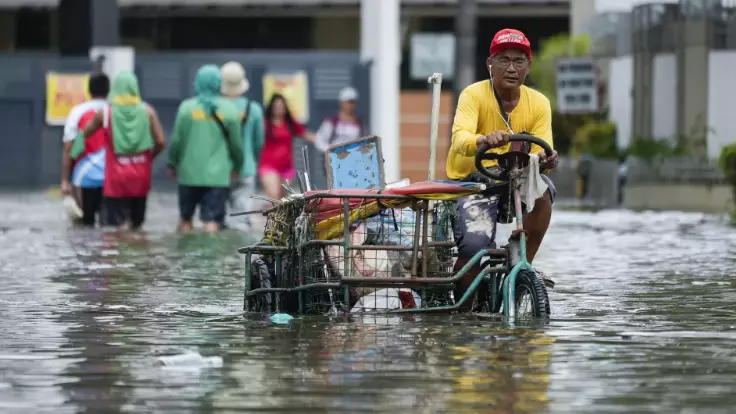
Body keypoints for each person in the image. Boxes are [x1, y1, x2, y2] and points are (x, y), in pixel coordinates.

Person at [447, 28, 559, 307]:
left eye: (519, 61)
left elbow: (540, 150)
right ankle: (465, 310)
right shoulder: (473, 95)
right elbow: (460, 139)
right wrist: (482, 140)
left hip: (516, 178)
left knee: (543, 191)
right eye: (504, 60)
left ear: (528, 67)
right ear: (490, 64)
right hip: (472, 180)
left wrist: (547, 161)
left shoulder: (539, 103)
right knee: (474, 247)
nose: (511, 68)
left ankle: (520, 266)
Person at [81, 71, 166, 231]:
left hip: (116, 179)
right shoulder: (147, 111)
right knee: (137, 226)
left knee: (115, 229)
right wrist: (149, 158)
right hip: (141, 175)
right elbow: (161, 141)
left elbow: (85, 132)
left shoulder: (106, 112)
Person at [167, 64, 244, 233]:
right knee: (212, 221)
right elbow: (236, 145)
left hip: (188, 175)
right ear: (218, 84)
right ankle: (211, 254)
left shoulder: (186, 108)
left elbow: (177, 141)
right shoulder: (230, 110)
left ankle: (184, 254)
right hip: (217, 177)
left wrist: (172, 163)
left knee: (185, 219)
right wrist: (237, 167)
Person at [219, 61, 265, 231]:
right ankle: (240, 256)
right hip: (246, 168)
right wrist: (252, 160)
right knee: (242, 219)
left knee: (219, 220)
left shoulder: (216, 108)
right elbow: (258, 141)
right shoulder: (253, 109)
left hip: (219, 171)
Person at [61, 72, 110, 226]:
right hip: (111, 178)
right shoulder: (114, 110)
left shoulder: (77, 112)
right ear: (109, 90)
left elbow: (69, 148)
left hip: (84, 178)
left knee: (85, 226)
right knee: (109, 228)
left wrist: (64, 180)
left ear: (89, 90)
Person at [259, 93, 316, 201]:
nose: (279, 109)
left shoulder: (289, 123)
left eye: (281, 106)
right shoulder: (265, 123)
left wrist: (324, 141)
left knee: (283, 200)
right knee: (274, 196)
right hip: (269, 166)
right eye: (276, 106)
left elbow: (305, 134)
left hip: (286, 168)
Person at [314, 86, 365, 152]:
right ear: (341, 103)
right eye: (348, 102)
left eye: (353, 102)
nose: (351, 105)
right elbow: (319, 140)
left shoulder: (360, 124)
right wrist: (331, 151)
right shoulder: (331, 122)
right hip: (334, 159)